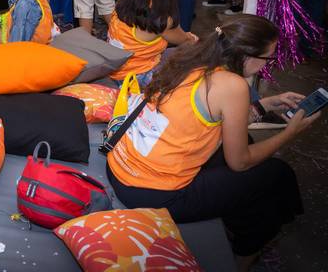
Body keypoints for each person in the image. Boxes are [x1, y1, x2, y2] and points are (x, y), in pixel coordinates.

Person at [106, 14, 318, 267]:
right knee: (277, 174)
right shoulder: (233, 85)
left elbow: (210, 114)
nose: (266, 66)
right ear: (246, 55)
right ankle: (243, 257)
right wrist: (289, 133)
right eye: (267, 59)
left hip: (120, 168)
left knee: (245, 141)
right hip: (153, 194)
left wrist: (265, 105)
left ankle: (235, 219)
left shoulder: (192, 59)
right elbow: (240, 162)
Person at [108, 0, 197, 86]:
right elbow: (184, 40)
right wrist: (192, 39)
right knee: (193, 56)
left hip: (112, 69)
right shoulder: (160, 19)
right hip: (135, 78)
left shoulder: (124, 0)